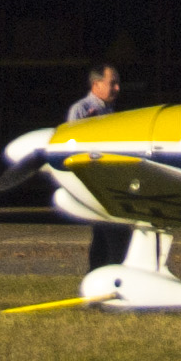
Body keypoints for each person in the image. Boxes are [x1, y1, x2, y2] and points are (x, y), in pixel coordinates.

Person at [58, 61, 129, 271]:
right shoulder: (81, 111)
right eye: (112, 83)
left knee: (102, 236)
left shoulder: (111, 111)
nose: (117, 88)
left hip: (110, 184)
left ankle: (97, 275)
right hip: (98, 186)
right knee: (116, 235)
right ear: (96, 84)